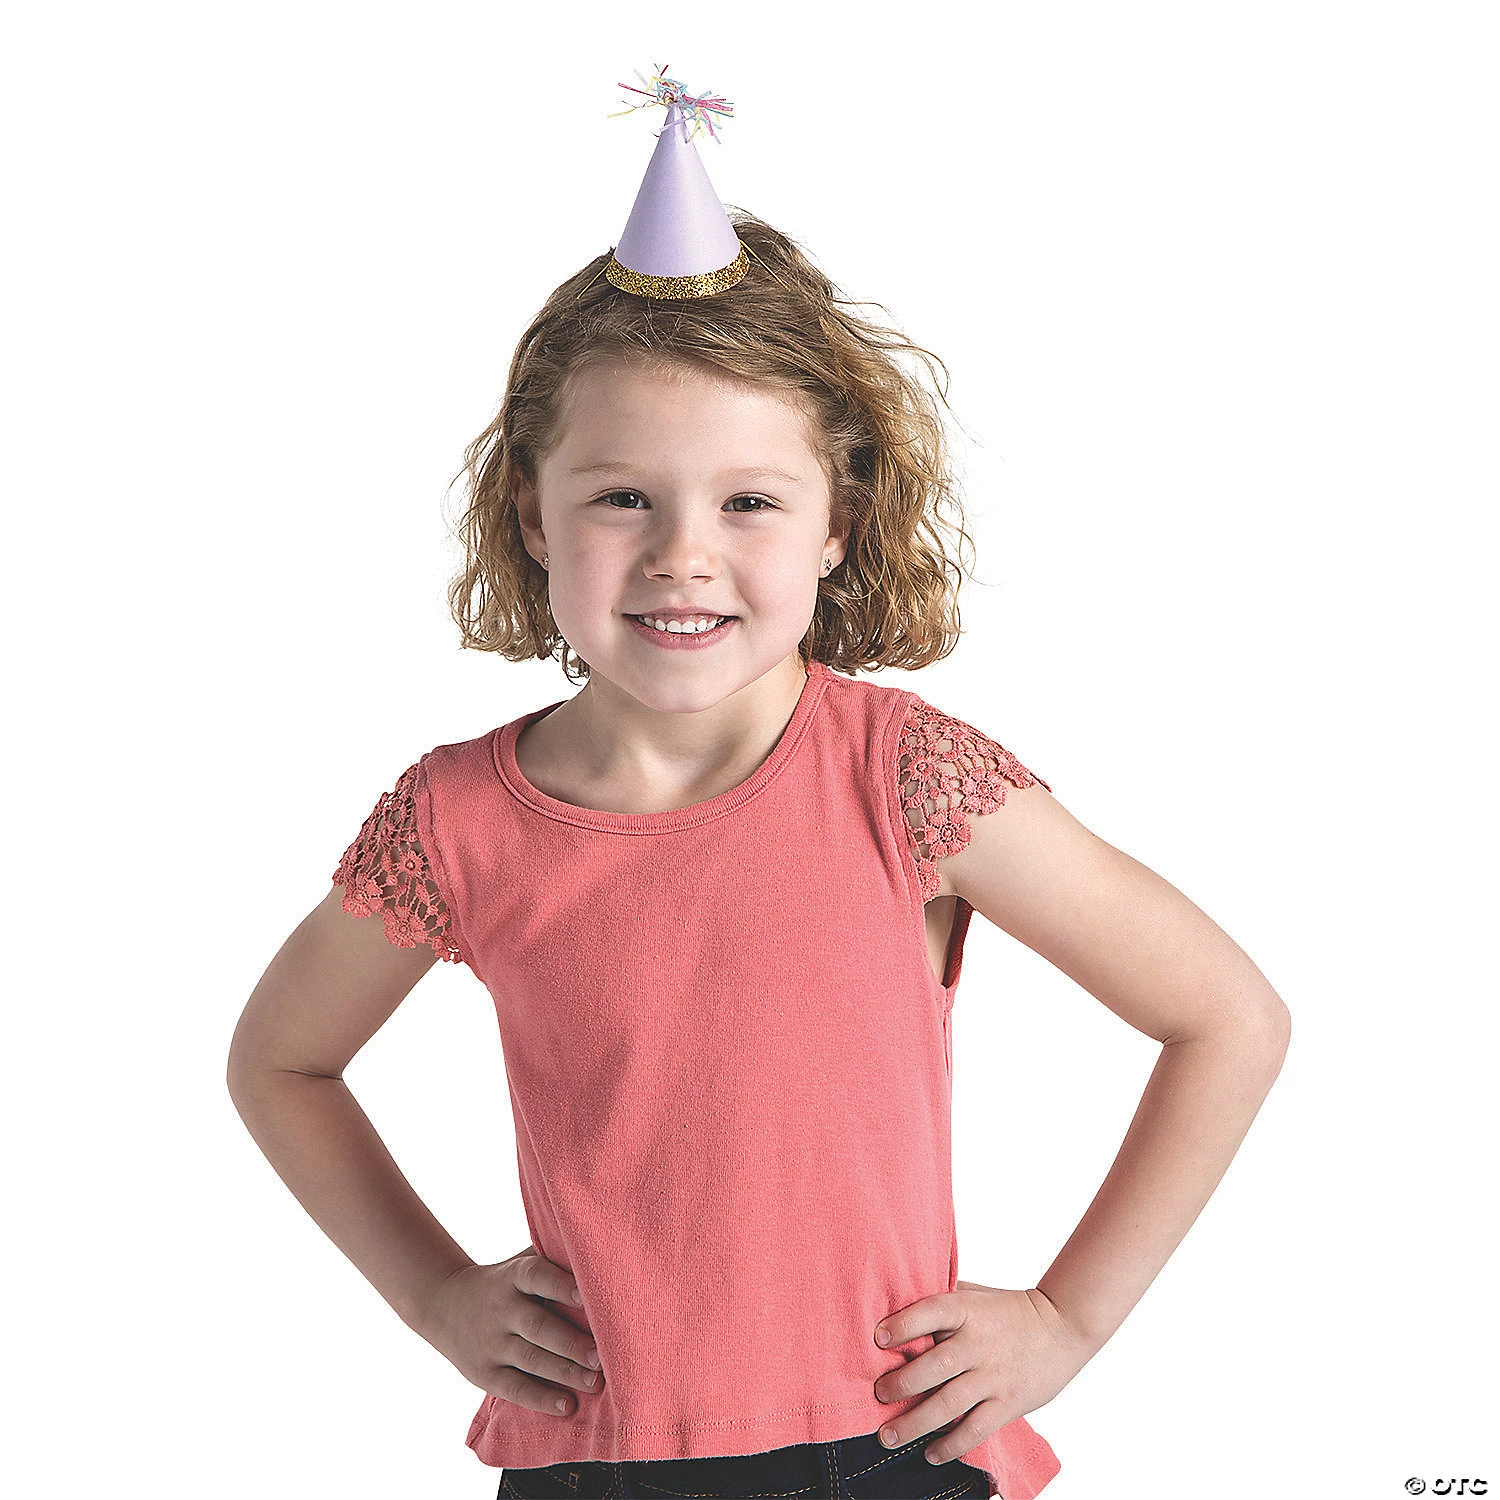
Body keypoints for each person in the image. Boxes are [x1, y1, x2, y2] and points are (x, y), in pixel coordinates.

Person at [226, 71, 1291, 1500]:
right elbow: (282, 1063)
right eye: (622, 497)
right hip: (597, 1457)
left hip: (894, 1443)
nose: (683, 554)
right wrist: (434, 1295)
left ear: (837, 522)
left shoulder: (905, 780)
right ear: (531, 517)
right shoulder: (459, 822)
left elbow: (1225, 1016)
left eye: (748, 501)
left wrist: (1067, 1318)